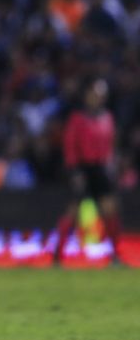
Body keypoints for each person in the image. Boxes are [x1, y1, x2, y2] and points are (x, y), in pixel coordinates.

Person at [53, 78, 121, 265]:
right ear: (87, 95)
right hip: (82, 169)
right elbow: (70, 146)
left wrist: (110, 164)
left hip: (100, 169)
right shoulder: (77, 118)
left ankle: (114, 255)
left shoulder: (107, 118)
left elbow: (110, 146)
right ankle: (57, 254)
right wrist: (74, 172)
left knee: (110, 210)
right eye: (94, 94)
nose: (96, 98)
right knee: (72, 212)